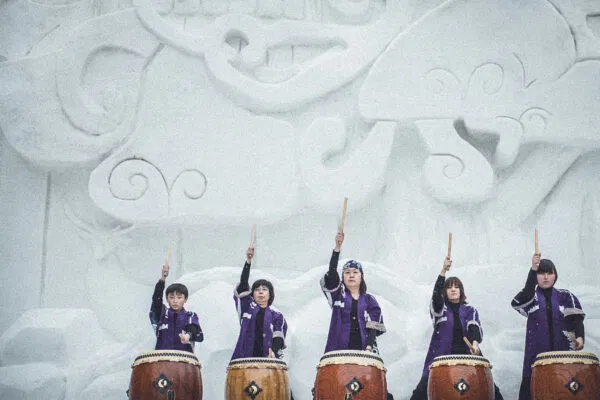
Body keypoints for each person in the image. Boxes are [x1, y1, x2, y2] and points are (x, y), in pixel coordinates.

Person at [410, 256, 503, 400]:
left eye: (456, 286)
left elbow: (473, 327)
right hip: (440, 358)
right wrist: (443, 270)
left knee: (490, 389)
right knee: (421, 392)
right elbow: (436, 297)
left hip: (469, 357)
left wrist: (475, 344)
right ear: (445, 292)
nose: (453, 289)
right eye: (449, 287)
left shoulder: (469, 310)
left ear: (461, 290)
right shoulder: (440, 309)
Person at [511, 253, 585, 400]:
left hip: (564, 357)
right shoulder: (531, 297)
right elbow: (522, 298)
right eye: (541, 273)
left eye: (549, 273)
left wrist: (580, 337)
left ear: (555, 275)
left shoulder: (566, 296)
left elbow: (577, 320)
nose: (545, 277)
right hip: (536, 358)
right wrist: (533, 270)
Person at [321, 231, 386, 353]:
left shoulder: (369, 300)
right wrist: (337, 248)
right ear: (342, 277)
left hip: (364, 351)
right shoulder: (338, 296)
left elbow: (373, 326)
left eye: (355, 272)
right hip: (338, 351)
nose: (351, 275)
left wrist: (369, 348)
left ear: (361, 276)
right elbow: (332, 275)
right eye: (347, 272)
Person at [231, 246, 287, 360]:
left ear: (270, 294)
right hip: (243, 360)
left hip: (266, 361)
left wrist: (274, 349)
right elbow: (243, 285)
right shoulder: (247, 308)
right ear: (252, 294)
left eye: (264, 289)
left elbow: (278, 335)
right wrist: (248, 262)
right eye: (257, 289)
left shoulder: (277, 316)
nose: (261, 292)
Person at [149, 263, 204, 352]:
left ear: (185, 299)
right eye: (171, 297)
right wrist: (162, 279)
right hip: (162, 358)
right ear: (167, 299)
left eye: (179, 297)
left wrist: (188, 336)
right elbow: (156, 300)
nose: (175, 301)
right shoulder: (162, 314)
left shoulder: (190, 316)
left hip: (184, 358)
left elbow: (193, 328)